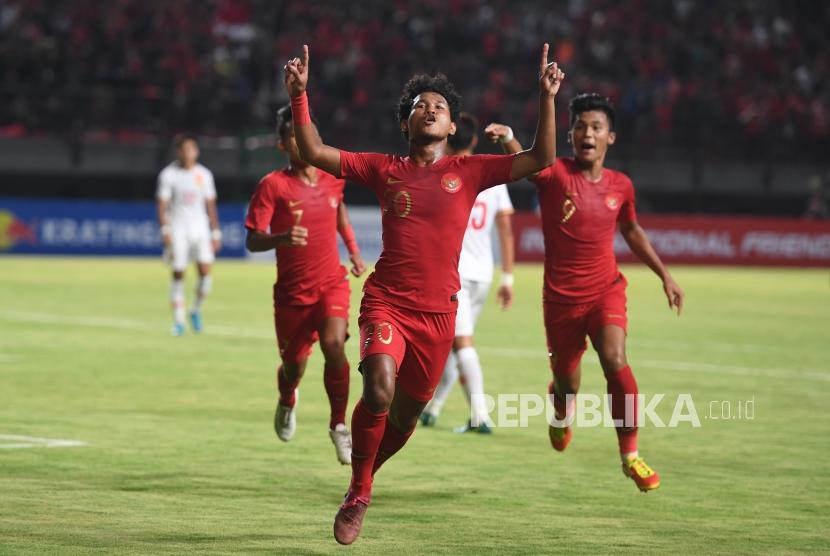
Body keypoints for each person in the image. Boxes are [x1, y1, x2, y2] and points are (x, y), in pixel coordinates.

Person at [283, 43, 564, 544]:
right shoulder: (383, 168)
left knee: (407, 414)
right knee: (379, 389)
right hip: (386, 301)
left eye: (440, 106)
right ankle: (360, 493)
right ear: (406, 125)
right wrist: (301, 97)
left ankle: (361, 479)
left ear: (453, 127)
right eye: (420, 105)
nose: (430, 108)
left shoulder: (471, 171)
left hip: (440, 315)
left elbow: (542, 158)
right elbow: (312, 151)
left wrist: (546, 98)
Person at [485, 93, 685, 492]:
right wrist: (509, 137)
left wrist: (664, 274)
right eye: (579, 126)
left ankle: (630, 455)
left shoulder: (621, 186)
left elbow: (631, 230)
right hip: (560, 301)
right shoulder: (556, 174)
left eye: (595, 127)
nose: (586, 133)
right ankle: (561, 409)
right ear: (570, 135)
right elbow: (530, 163)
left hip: (605, 291)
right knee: (567, 383)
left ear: (611, 137)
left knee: (615, 358)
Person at [244, 104, 366, 466]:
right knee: (294, 366)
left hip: (331, 283)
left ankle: (339, 427)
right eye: (293, 137)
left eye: (306, 135)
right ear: (282, 144)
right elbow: (252, 240)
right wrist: (280, 238)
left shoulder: (333, 177)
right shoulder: (272, 186)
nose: (301, 143)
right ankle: (287, 398)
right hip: (292, 296)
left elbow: (339, 208)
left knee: (334, 345)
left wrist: (354, 249)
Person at [419, 112, 515, 434]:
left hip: (454, 273)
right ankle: (433, 407)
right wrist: (508, 277)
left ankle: (479, 415)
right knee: (453, 342)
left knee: (461, 343)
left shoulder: (439, 173)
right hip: (483, 273)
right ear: (474, 141)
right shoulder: (490, 176)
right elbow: (506, 230)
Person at [156, 133, 222, 336]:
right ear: (178, 152)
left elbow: (210, 205)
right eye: (185, 149)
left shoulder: (204, 175)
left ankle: (195, 309)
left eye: (192, 149)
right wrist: (165, 229)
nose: (189, 153)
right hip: (178, 229)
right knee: (178, 272)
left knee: (205, 273)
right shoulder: (169, 175)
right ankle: (178, 321)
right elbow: (162, 205)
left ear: (197, 151)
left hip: (200, 229)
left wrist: (216, 232)